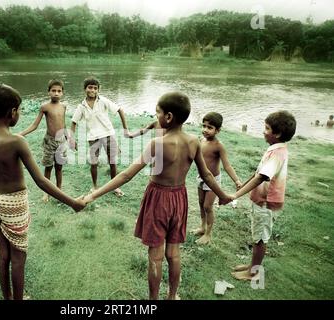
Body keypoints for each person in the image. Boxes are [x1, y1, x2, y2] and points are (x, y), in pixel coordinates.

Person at [83, 92, 232, 300]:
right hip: (179, 199)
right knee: (174, 253)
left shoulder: (158, 144)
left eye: (157, 113)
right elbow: (206, 174)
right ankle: (172, 296)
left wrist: (94, 195)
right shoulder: (193, 142)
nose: (156, 116)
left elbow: (126, 175)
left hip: (158, 199)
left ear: (168, 117)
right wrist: (222, 195)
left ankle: (153, 300)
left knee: (156, 256)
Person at [0, 84, 85, 300]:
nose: (19, 113)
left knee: (3, 254)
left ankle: (8, 297)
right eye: (19, 110)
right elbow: (40, 180)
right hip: (15, 205)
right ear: (12, 112)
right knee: (18, 257)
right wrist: (72, 202)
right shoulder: (17, 142)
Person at [230, 110, 296, 281]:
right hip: (261, 201)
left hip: (267, 203)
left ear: (278, 133)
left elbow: (261, 177)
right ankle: (253, 265)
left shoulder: (277, 153)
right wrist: (240, 189)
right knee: (257, 233)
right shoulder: (275, 149)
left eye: (266, 128)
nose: (263, 131)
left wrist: (235, 195)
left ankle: (254, 272)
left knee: (260, 237)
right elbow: (257, 172)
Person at [69, 77, 130, 197]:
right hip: (93, 137)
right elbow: (73, 122)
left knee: (112, 162)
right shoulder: (81, 106)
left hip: (108, 134)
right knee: (93, 163)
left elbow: (120, 110)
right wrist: (72, 138)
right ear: (85, 89)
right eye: (90, 87)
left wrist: (125, 129)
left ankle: (115, 186)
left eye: (95, 88)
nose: (92, 90)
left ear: (98, 90)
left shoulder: (103, 101)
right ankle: (95, 186)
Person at [194, 112, 242, 245]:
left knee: (208, 206)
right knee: (200, 203)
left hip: (213, 180)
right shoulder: (201, 140)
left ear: (218, 130)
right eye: (204, 126)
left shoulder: (219, 146)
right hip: (201, 177)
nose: (205, 129)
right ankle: (202, 227)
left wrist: (236, 180)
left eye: (210, 127)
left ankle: (208, 234)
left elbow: (227, 165)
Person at [20, 79, 68, 203]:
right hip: (50, 141)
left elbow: (64, 124)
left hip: (61, 141)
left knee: (59, 167)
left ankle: (59, 190)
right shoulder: (45, 107)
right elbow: (35, 125)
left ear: (62, 93)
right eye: (53, 91)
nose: (56, 93)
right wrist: (21, 134)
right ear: (48, 92)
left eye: (59, 91)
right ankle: (47, 192)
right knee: (48, 167)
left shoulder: (63, 106)